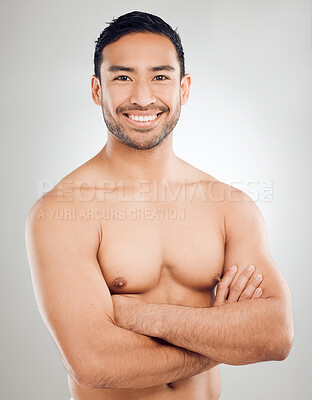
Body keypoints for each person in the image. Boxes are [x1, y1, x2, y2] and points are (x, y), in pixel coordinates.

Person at [25, 11, 294, 400]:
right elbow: (94, 363)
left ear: (183, 88)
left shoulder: (229, 206)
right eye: (122, 77)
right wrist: (225, 333)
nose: (143, 96)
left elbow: (276, 335)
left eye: (160, 76)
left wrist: (135, 315)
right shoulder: (62, 212)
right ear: (97, 90)